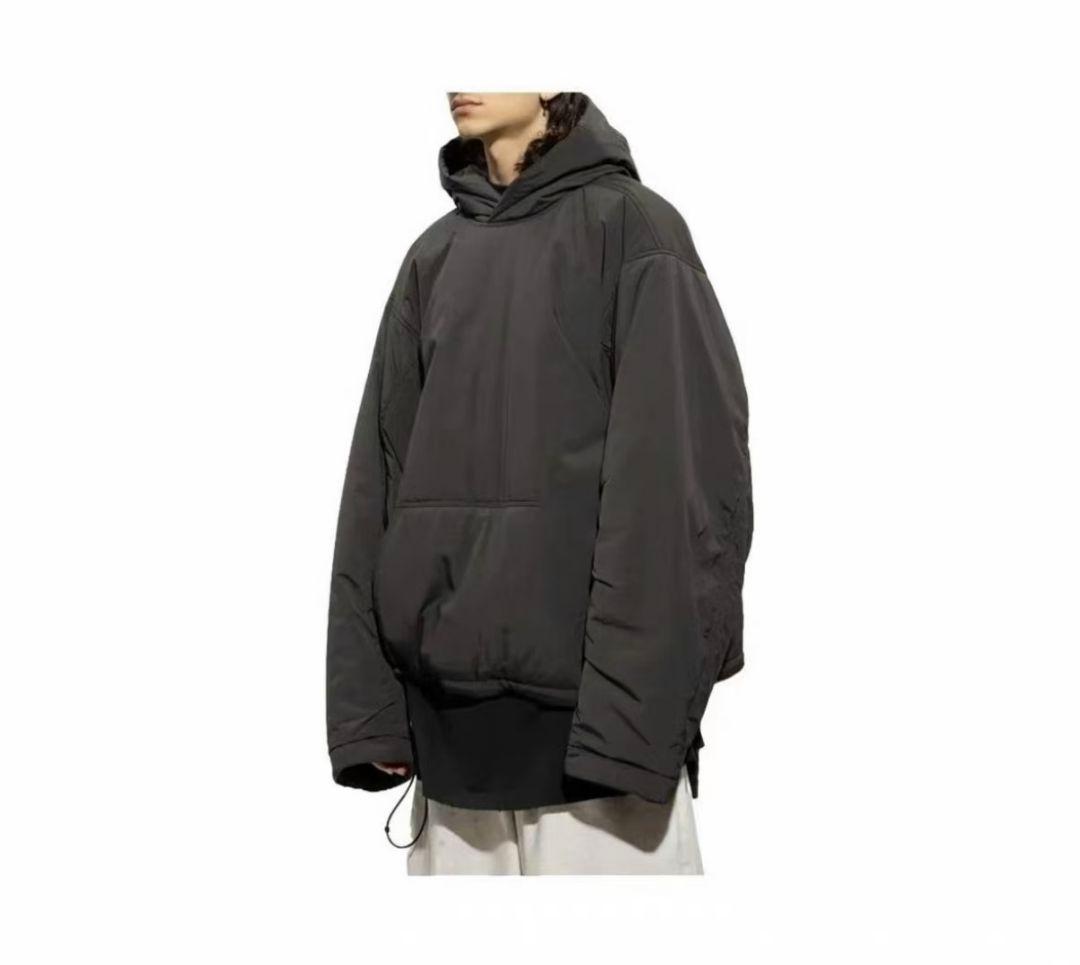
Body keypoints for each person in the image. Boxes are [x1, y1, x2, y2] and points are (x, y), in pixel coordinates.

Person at [326, 92, 753, 875]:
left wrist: (632, 734)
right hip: (449, 768)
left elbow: (682, 495)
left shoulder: (636, 232)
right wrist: (372, 716)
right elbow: (375, 489)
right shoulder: (432, 257)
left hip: (597, 765)